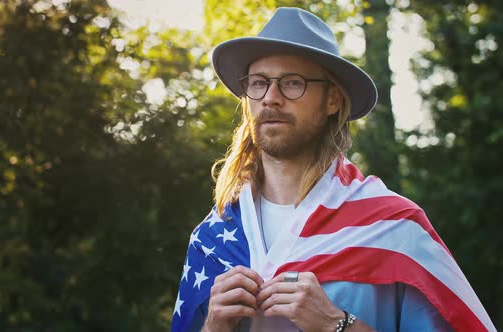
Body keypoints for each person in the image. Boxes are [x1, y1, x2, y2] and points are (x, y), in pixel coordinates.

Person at [171, 7, 495, 332]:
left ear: (333, 100)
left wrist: (337, 324)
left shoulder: (394, 229)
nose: (270, 97)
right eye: (258, 83)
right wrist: (212, 327)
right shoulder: (211, 239)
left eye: (292, 83)